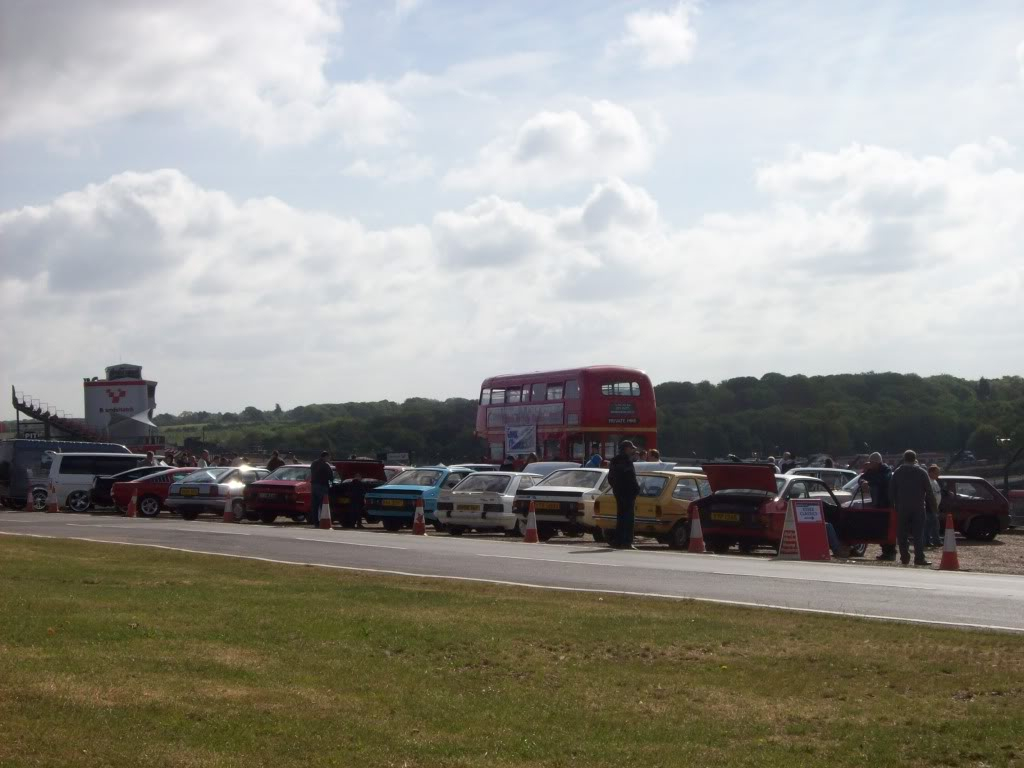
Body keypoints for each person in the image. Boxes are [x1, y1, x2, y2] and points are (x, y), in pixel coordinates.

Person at [889, 450, 937, 566]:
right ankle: (919, 558)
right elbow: (929, 492)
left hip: (902, 508)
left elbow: (891, 491)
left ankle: (904, 557)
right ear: (915, 458)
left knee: (902, 534)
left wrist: (893, 506)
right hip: (918, 507)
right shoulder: (922, 472)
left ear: (904, 458)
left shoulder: (897, 472)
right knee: (918, 534)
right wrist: (934, 508)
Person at [861, 452, 895, 560]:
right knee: (881, 528)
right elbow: (861, 478)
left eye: (871, 462)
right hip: (878, 504)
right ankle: (885, 551)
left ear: (877, 462)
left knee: (887, 528)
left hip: (886, 504)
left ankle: (890, 552)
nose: (870, 464)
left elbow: (882, 480)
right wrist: (863, 481)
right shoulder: (872, 471)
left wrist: (868, 482)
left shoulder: (886, 471)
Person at [607, 440, 640, 550]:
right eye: (631, 448)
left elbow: (610, 478)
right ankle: (627, 542)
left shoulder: (614, 460)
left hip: (618, 492)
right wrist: (636, 489)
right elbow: (631, 477)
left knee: (620, 516)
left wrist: (616, 488)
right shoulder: (627, 461)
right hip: (628, 492)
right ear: (626, 448)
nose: (632, 450)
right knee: (629, 518)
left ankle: (618, 540)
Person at [309, 451, 333, 528]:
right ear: (325, 457)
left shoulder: (314, 463)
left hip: (314, 485)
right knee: (323, 505)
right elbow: (331, 476)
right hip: (322, 486)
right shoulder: (326, 465)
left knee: (315, 506)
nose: (329, 458)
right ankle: (323, 521)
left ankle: (315, 522)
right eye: (328, 457)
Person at [926, 464, 943, 547]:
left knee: (931, 525)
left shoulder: (934, 481)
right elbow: (928, 496)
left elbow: (938, 493)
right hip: (930, 508)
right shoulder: (928, 481)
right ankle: (934, 541)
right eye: (936, 473)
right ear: (931, 472)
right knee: (933, 525)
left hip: (934, 507)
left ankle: (929, 541)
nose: (938, 475)